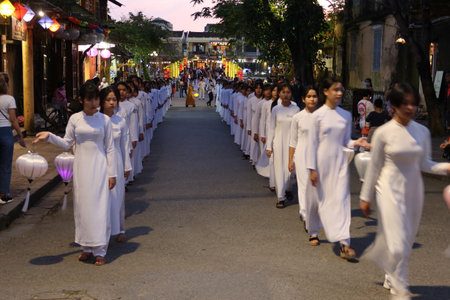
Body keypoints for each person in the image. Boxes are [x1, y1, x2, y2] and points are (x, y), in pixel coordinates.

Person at [360, 83, 450, 298]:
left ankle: (391, 276)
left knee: (405, 241)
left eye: (414, 104)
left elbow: (425, 164)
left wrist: (447, 167)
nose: (411, 108)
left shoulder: (422, 131)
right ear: (395, 106)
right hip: (388, 190)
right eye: (406, 104)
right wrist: (365, 196)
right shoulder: (383, 133)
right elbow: (374, 166)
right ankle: (401, 289)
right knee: (397, 243)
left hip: (413, 191)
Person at [33, 82, 116, 266]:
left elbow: (110, 148)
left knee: (100, 208)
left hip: (100, 167)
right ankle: (86, 247)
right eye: (90, 99)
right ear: (82, 100)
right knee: (83, 208)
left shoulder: (105, 120)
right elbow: (66, 142)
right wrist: (49, 136)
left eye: (96, 99)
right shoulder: (75, 119)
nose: (94, 103)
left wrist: (112, 173)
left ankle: (100, 249)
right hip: (81, 167)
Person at [307, 77, 369, 260]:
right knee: (321, 202)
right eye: (336, 90)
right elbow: (312, 144)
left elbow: (345, 141)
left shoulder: (346, 115)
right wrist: (312, 168)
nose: (340, 93)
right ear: (325, 91)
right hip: (321, 164)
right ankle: (314, 230)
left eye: (341, 89)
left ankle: (344, 243)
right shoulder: (317, 116)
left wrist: (356, 142)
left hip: (340, 165)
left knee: (342, 202)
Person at [99, 86, 132, 243]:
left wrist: (127, 166)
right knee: (101, 197)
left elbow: (125, 144)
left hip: (117, 160)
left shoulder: (120, 121)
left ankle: (120, 228)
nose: (112, 102)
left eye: (114, 99)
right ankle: (101, 231)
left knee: (117, 195)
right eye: (108, 99)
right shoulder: (97, 119)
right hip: (99, 161)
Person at [288, 86, 320, 245]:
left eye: (314, 96)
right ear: (303, 99)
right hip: (301, 155)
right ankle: (305, 214)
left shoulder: (322, 117)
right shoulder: (298, 117)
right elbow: (293, 140)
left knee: (315, 188)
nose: (312, 99)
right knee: (303, 186)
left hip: (318, 156)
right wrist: (290, 160)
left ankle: (311, 215)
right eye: (309, 96)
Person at [266, 83, 300, 208]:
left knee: (290, 169)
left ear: (292, 94)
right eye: (283, 92)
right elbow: (271, 128)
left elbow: (298, 129)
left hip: (292, 143)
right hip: (279, 142)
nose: (286, 95)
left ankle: (288, 189)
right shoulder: (276, 109)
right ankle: (280, 197)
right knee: (279, 169)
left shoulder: (296, 109)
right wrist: (269, 146)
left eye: (288, 92)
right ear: (279, 94)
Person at [0, 73, 26, 204]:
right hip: (5, 132)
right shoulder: (9, 99)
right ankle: (4, 194)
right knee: (5, 165)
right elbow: (13, 120)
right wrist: (20, 135)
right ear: (6, 84)